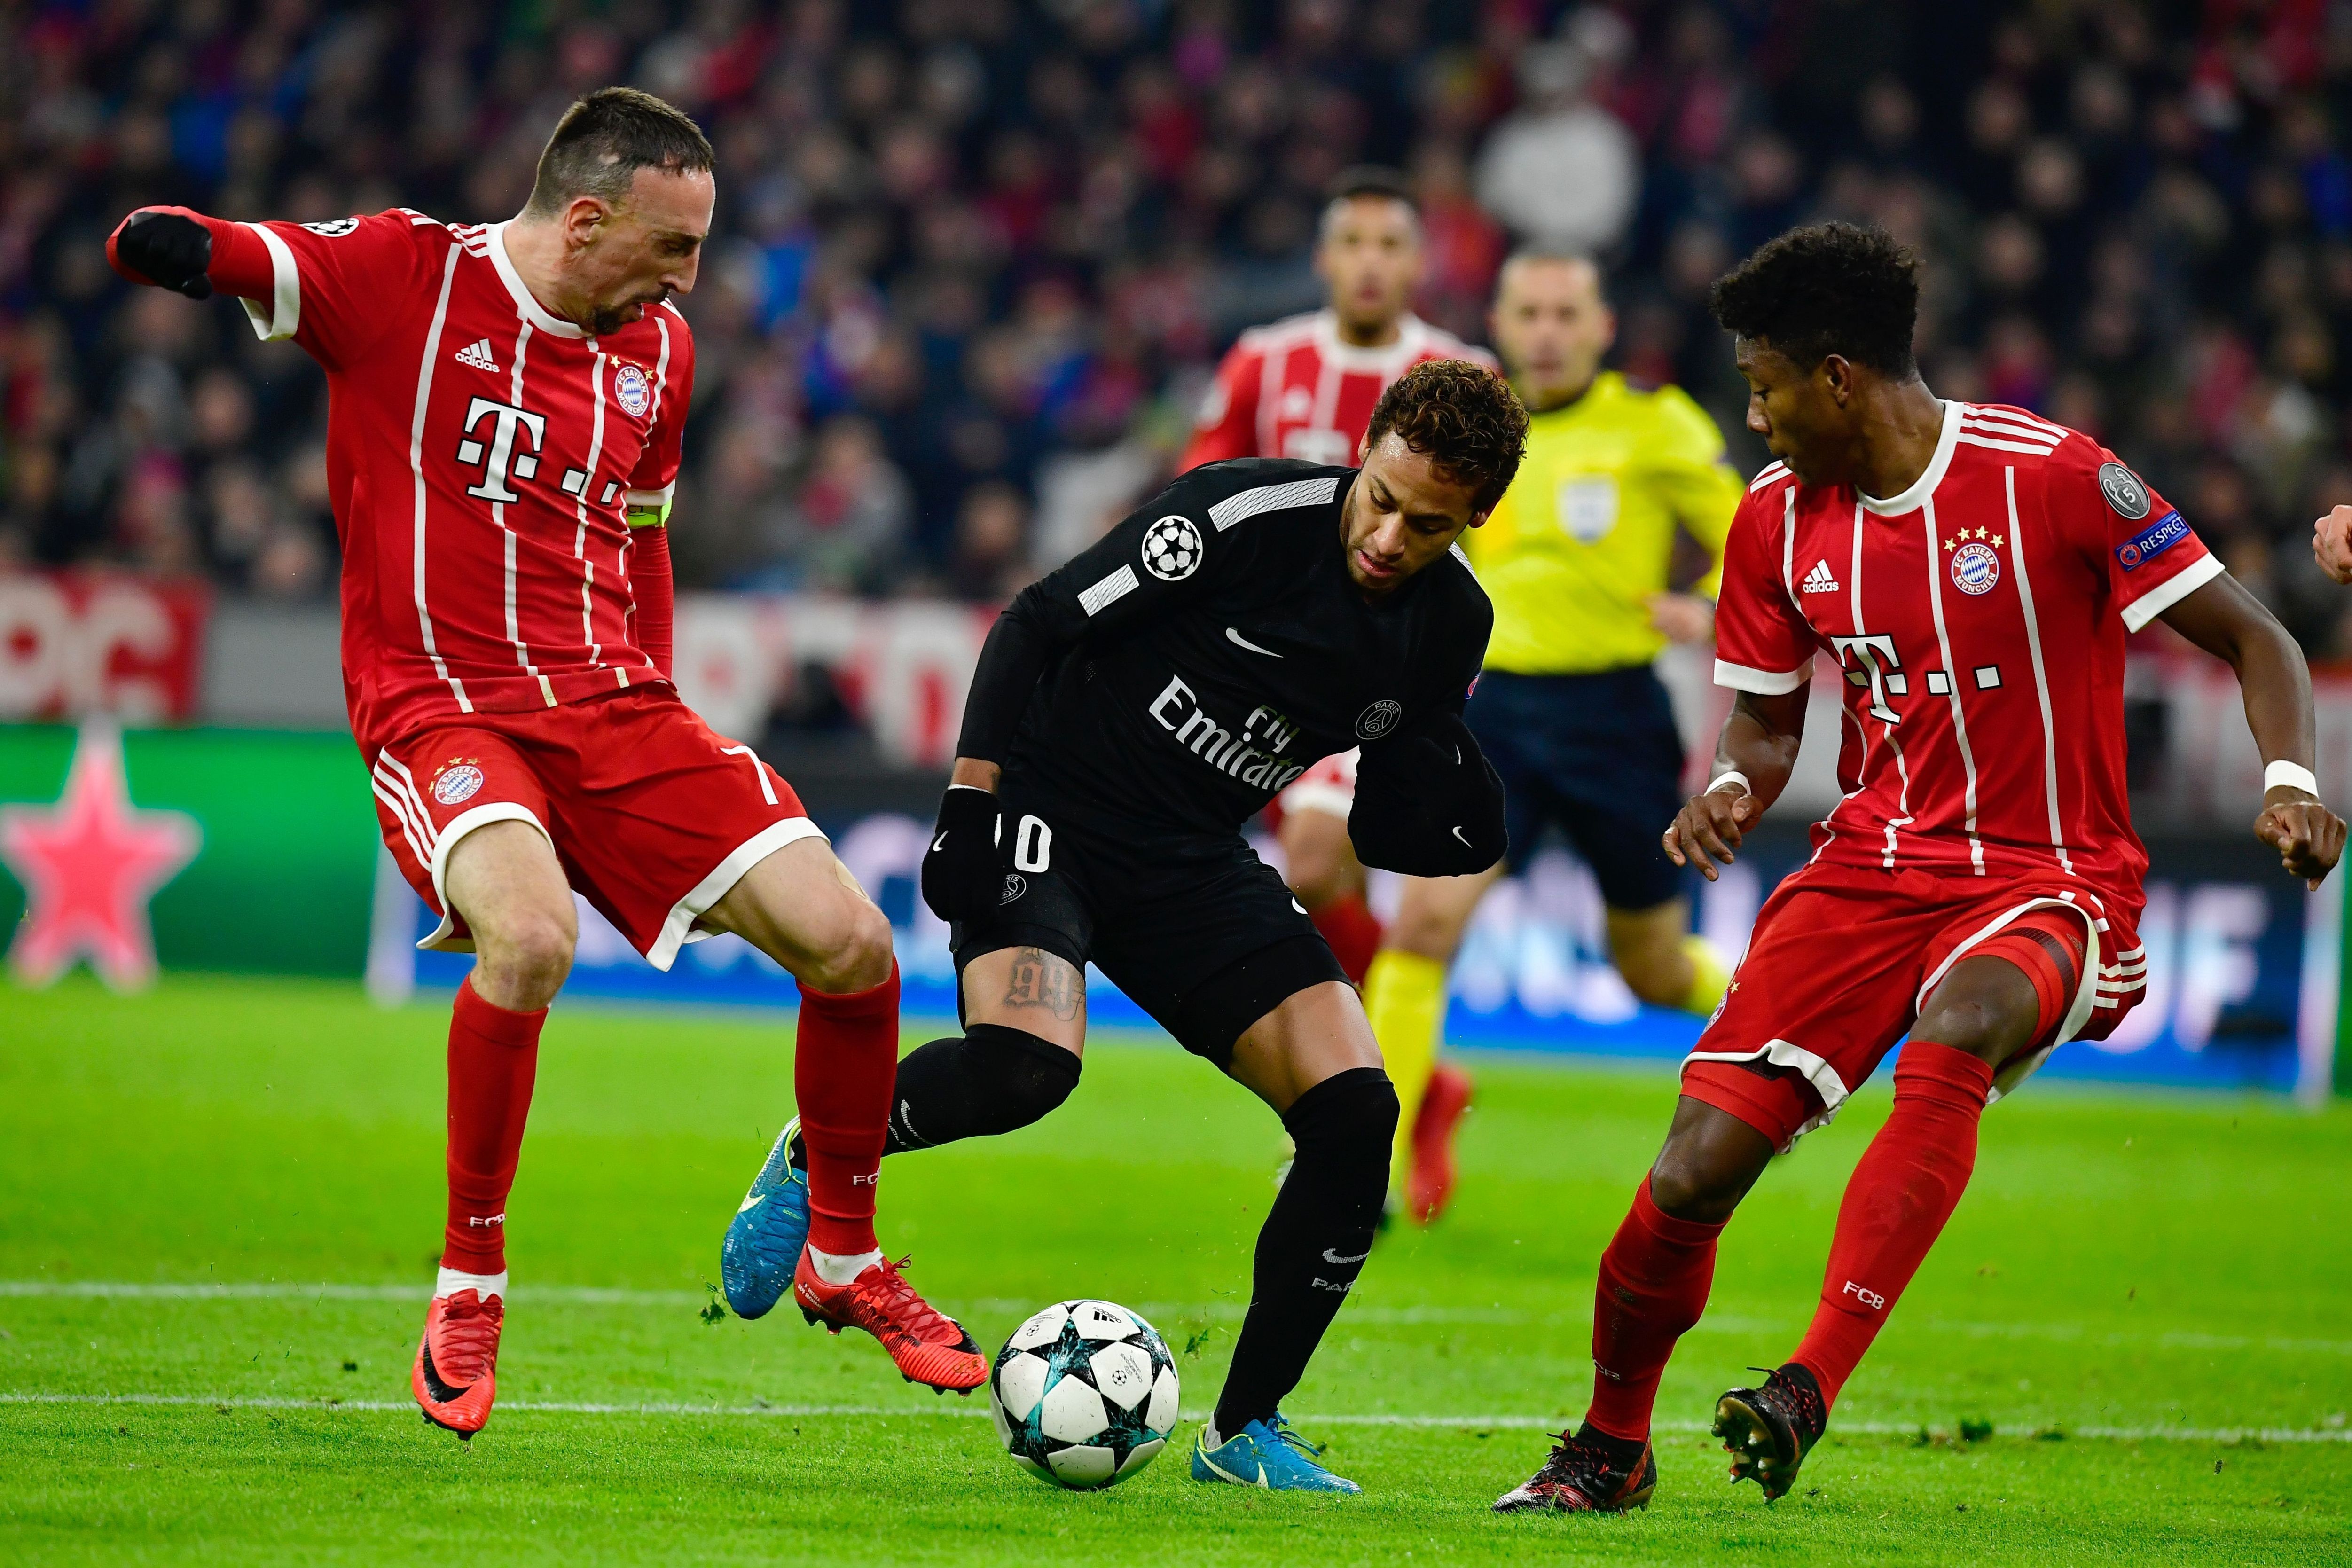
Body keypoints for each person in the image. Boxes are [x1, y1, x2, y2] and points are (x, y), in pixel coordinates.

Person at [106, 87, 988, 1440]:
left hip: (614, 706)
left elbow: (640, 537)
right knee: (528, 942)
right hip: (441, 705)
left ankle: (844, 1257)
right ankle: (470, 1283)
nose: (690, 278)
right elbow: (215, 249)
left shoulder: (663, 354)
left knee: (855, 945)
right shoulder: (405, 274)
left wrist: (651, 695)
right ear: (586, 219)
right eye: (672, 245)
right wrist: (175, 245)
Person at [1494, 223, 2344, 1514]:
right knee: (1688, 1175)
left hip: (2050, 877)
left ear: (1836, 378)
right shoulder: (1776, 523)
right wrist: (1731, 783)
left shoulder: (2051, 476)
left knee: (1960, 1032)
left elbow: (2257, 638)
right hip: (1866, 877)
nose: (1754, 415)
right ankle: (1610, 1450)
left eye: (1766, 385)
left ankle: (1805, 1386)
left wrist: (2289, 783)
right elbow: (1768, 718)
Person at [721, 361, 1527, 1493]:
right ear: (1366, 452)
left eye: (1430, 525)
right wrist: (969, 799)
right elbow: (1036, 619)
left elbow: (1396, 790)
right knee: (1027, 1070)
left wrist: (1444, 803)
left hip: (1189, 859)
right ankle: (820, 1152)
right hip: (1050, 802)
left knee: (1357, 1112)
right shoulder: (1242, 518)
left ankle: (1245, 1432)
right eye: (1382, 499)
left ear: (1476, 518)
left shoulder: (1452, 625)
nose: (1392, 537)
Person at [1362, 250, 1743, 1228]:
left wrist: (1708, 602)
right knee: (1423, 929)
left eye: (1565, 312)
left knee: (1653, 972)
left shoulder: (1655, 426)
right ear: (1500, 316)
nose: (1545, 330)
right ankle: (1365, 1165)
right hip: (1493, 715)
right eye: (1528, 311)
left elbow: (1756, 533)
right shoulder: (1477, 432)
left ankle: (1781, 1010)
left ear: (1602, 326)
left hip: (1617, 719)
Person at [1179, 167, 1496, 993]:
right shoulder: (1264, 362)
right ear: (1322, 258)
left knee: (1313, 867)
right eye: (1353, 243)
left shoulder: (1462, 372)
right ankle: (1410, 1079)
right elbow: (1200, 493)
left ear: (1418, 262)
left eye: (1389, 245)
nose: (1369, 263)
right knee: (1328, 881)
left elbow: (1490, 525)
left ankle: (1371, 1059)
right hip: (1262, 661)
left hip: (1387, 663)